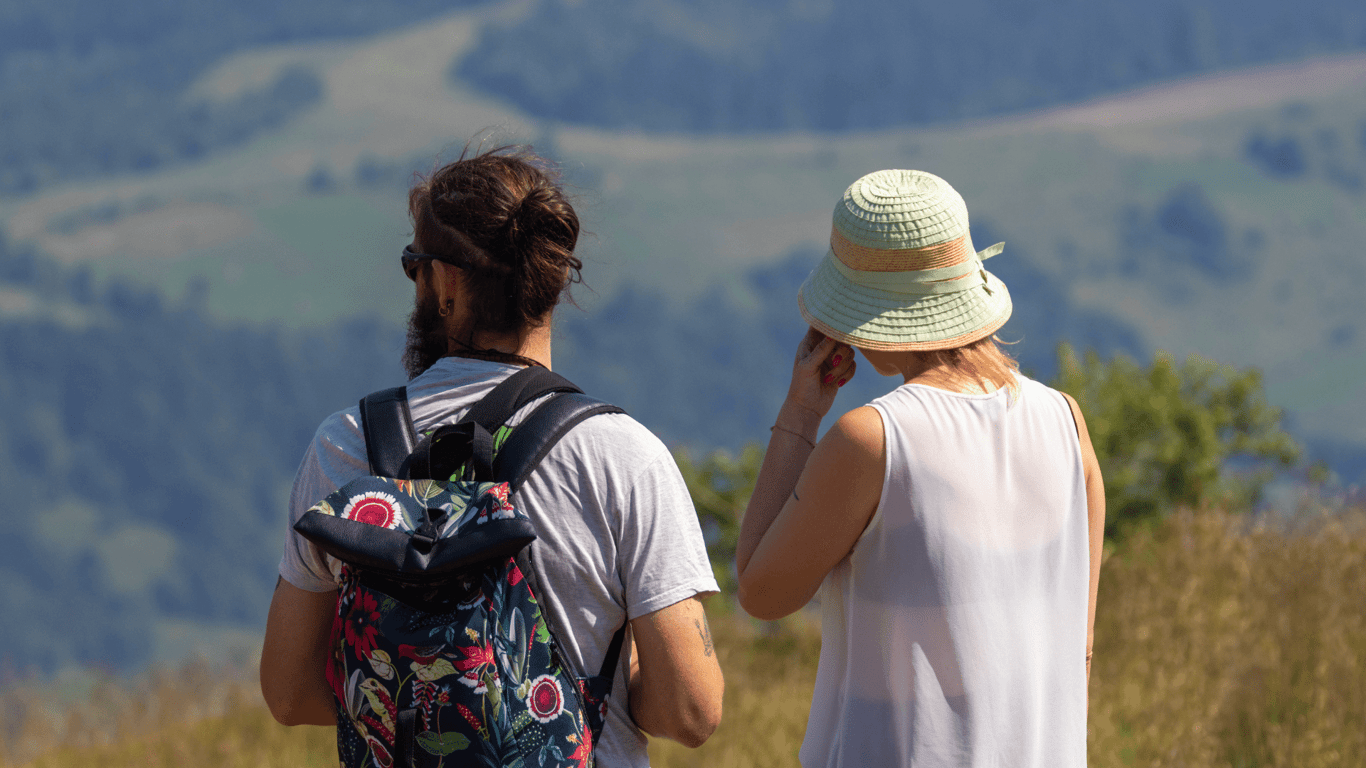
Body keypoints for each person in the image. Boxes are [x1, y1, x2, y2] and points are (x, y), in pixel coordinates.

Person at [261, 145, 724, 764]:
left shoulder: (344, 446)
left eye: (413, 265)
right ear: (551, 282)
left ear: (446, 281)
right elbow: (691, 713)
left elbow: (290, 694)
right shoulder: (623, 457)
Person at [735, 169, 1105, 766]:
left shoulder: (875, 439)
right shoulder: (1066, 421)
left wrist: (801, 412)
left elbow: (760, 590)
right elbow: (1076, 647)